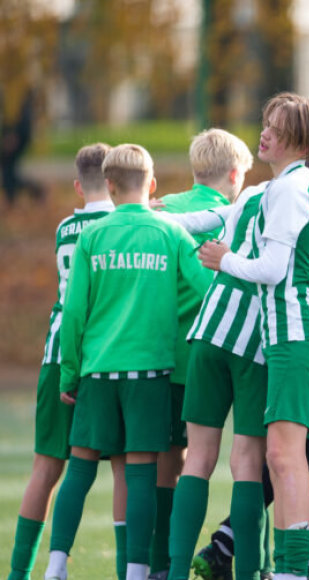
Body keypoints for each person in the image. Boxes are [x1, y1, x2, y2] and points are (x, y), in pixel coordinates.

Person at [45, 143, 211, 580]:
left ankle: (55, 564)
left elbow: (73, 312)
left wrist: (69, 371)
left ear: (110, 187)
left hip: (98, 371)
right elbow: (208, 286)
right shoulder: (171, 234)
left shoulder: (92, 236)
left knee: (79, 468)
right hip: (150, 372)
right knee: (140, 475)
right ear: (152, 185)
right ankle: (137, 571)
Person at [198, 92, 309, 580]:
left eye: (275, 126)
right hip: (285, 335)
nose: (264, 132)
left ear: (296, 138)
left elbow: (275, 269)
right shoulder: (284, 186)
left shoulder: (291, 189)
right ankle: (290, 568)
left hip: (297, 334)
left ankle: (293, 569)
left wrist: (223, 261)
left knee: (284, 454)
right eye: (266, 122)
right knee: (280, 456)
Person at [148, 128, 255, 579]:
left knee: (169, 462)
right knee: (250, 454)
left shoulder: (161, 208)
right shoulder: (241, 212)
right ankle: (254, 563)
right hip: (228, 343)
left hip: (161, 352)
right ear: (235, 173)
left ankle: (160, 565)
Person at [6, 144, 116, 580]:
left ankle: (19, 573)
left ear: (77, 184)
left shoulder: (65, 227)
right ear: (116, 181)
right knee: (129, 464)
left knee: (45, 468)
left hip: (57, 354)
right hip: (107, 357)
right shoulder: (124, 223)